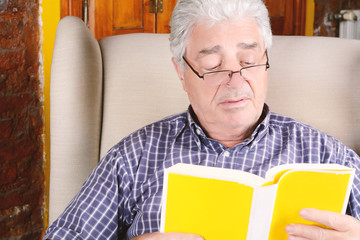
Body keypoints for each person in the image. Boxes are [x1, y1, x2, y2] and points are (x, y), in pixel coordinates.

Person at [44, 0, 360, 239]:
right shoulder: (132, 158)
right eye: (212, 64)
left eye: (248, 61)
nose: (236, 80)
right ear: (181, 72)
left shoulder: (331, 157)